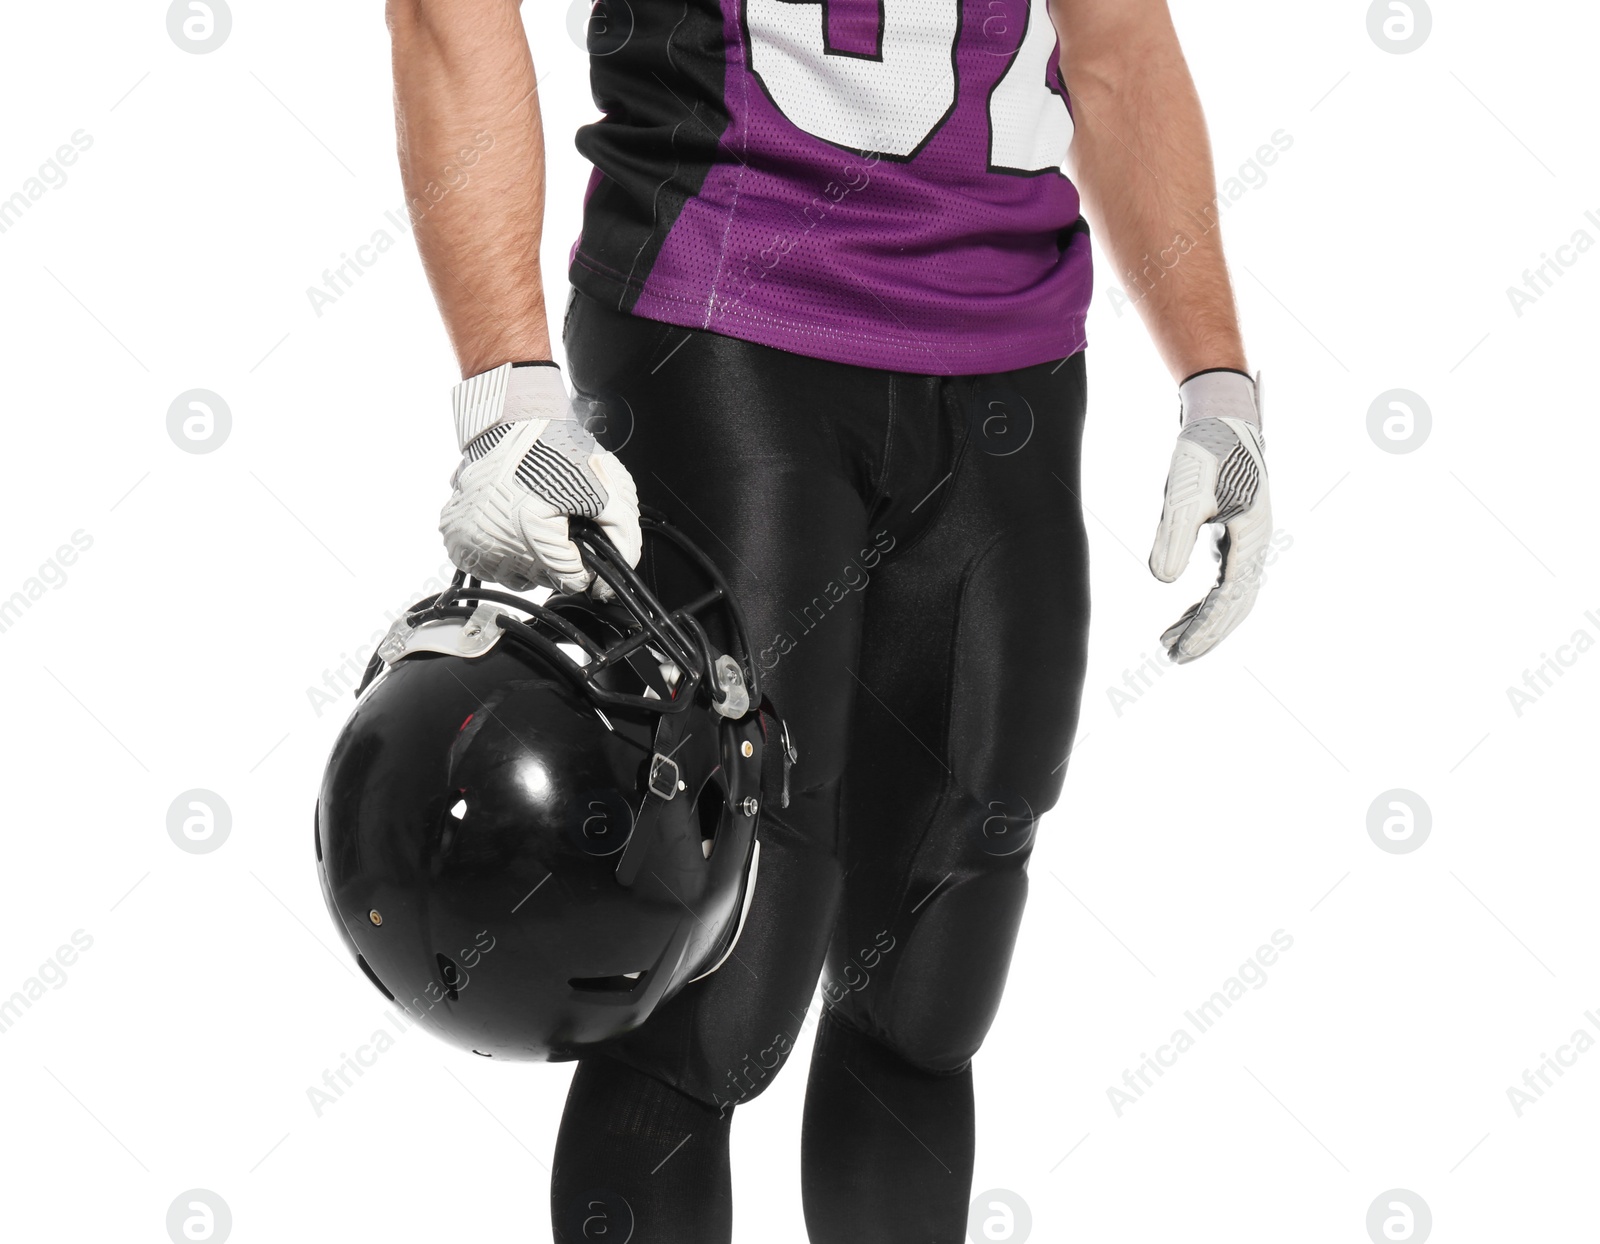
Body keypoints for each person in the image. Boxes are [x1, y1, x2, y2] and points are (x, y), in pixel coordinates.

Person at [387, 0, 1272, 1239]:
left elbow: (1115, 43)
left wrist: (1217, 383)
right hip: (722, 330)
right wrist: (508, 389)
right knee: (707, 978)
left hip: (1012, 368)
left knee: (928, 977)